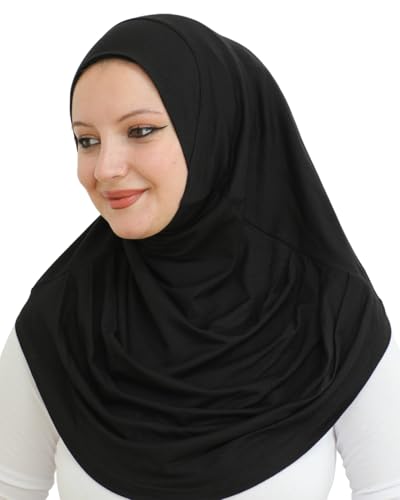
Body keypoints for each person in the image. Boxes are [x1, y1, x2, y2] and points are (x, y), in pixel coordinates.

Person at [1, 13, 400, 500]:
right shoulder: (58, 319)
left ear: (213, 131)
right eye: (87, 140)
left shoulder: (331, 312)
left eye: (140, 130)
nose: (104, 168)